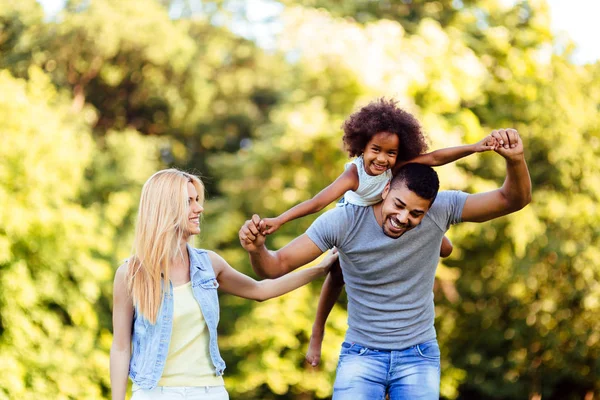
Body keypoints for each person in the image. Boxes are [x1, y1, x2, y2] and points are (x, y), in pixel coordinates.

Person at [239, 128, 531, 399]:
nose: (403, 218)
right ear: (385, 188)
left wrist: (515, 160)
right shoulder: (343, 220)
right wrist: (257, 249)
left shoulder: (442, 208)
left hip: (419, 356)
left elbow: (512, 199)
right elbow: (274, 267)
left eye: (416, 213)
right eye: (399, 205)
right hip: (360, 356)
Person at [110, 169, 338, 400]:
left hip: (209, 392)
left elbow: (261, 290)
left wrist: (320, 269)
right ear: (164, 208)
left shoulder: (209, 264)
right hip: (154, 393)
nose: (199, 208)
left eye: (197, 200)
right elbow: (120, 348)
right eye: (188, 202)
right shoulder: (131, 274)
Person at [262, 98, 498, 260]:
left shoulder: (394, 167)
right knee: (337, 269)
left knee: (445, 248)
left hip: (387, 207)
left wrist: (475, 147)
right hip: (356, 215)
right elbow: (316, 203)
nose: (382, 159)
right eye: (376, 149)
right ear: (362, 146)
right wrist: (280, 220)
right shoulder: (353, 176)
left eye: (391, 153)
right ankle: (319, 326)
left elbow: (435, 157)